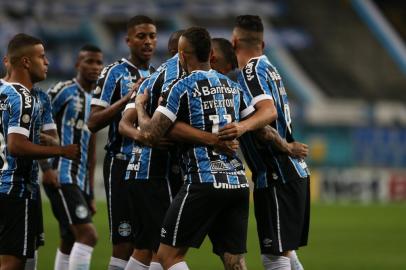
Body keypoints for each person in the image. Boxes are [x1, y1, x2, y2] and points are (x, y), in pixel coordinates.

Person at [133, 27, 276, 270]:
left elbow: (148, 135)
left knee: (168, 256)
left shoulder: (180, 87)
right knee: (234, 261)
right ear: (211, 54)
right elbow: (264, 131)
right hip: (237, 183)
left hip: (203, 181)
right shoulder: (232, 87)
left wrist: (139, 106)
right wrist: (286, 145)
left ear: (181, 55)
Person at [232, 15, 311, 270]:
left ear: (234, 42)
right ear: (262, 44)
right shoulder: (271, 69)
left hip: (277, 174)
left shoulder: (250, 72)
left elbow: (268, 113)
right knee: (286, 254)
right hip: (290, 172)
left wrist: (240, 127)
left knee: (274, 256)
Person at [0, 33, 79, 270]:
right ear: (25, 62)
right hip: (14, 188)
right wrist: (61, 150)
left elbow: (47, 136)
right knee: (13, 262)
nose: (47, 62)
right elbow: (16, 146)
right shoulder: (23, 98)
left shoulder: (39, 97)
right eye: (42, 57)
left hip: (17, 189)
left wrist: (41, 140)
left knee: (26, 256)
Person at [88, 15, 157, 270]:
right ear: (127, 40)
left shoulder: (155, 74)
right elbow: (93, 122)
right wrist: (127, 97)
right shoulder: (114, 72)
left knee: (149, 244)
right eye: (141, 36)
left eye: (152, 36)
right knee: (124, 245)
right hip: (121, 164)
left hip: (148, 169)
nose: (148, 42)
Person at [42, 44, 103, 270]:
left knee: (69, 237)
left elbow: (92, 149)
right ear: (78, 64)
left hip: (78, 180)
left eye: (99, 62)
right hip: (61, 175)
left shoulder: (97, 101)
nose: (95, 66)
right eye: (89, 61)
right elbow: (35, 124)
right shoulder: (63, 90)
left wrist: (89, 193)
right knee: (88, 236)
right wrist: (46, 168)